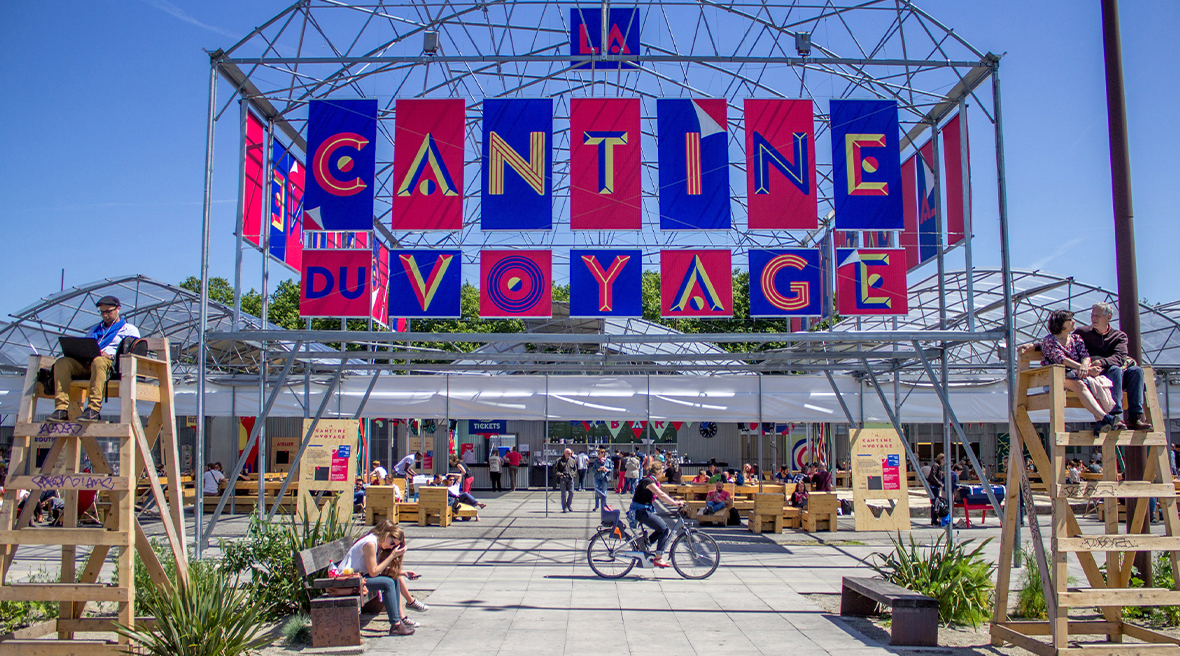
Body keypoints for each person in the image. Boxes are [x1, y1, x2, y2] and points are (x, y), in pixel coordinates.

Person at [47, 296, 140, 423]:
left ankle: (93, 409)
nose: (105, 315)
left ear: (118, 309)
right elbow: (87, 346)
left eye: (109, 311)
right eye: (102, 312)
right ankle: (61, 409)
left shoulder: (129, 329)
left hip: (109, 365)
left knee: (99, 361)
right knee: (62, 363)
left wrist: (111, 356)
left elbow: (134, 353)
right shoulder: (94, 330)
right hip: (88, 362)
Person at [1077, 302, 1153, 431]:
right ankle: (1115, 416)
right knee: (1115, 369)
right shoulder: (1082, 332)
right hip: (1096, 376)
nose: (1093, 318)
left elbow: (1120, 357)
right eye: (1092, 315)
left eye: (1098, 315)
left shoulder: (1119, 336)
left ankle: (1135, 418)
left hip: (1114, 374)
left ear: (1109, 317)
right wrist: (1037, 346)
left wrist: (1101, 362)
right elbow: (1064, 341)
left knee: (1136, 371)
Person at [1041, 309, 1118, 435]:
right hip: (1055, 378)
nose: (1073, 322)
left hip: (1077, 375)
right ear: (1061, 323)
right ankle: (1105, 417)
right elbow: (1061, 360)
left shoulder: (1076, 338)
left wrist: (1085, 366)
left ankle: (1101, 420)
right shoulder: (1049, 341)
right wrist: (1083, 369)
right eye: (1070, 320)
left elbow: (1085, 356)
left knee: (1096, 383)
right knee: (1081, 385)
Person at [337, 521, 414, 636]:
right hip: (348, 580)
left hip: (358, 577)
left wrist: (402, 572)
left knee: (394, 578)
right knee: (387, 583)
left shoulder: (374, 541)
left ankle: (397, 620)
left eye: (394, 546)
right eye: (391, 542)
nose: (391, 547)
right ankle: (395, 624)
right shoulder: (370, 543)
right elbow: (373, 572)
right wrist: (392, 555)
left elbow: (374, 570)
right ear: (386, 534)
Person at [630, 464, 685, 568]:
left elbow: (661, 495)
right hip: (640, 511)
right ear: (658, 472)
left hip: (643, 510)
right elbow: (661, 495)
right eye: (662, 471)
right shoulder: (648, 482)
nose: (663, 474)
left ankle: (644, 544)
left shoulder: (651, 481)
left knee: (661, 529)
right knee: (664, 529)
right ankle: (658, 558)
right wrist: (675, 503)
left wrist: (674, 502)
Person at [555, 448, 576, 512]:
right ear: (565, 453)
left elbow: (575, 469)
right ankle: (564, 507)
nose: (570, 455)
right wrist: (560, 475)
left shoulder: (572, 460)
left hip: (570, 477)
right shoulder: (559, 460)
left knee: (571, 492)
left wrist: (573, 475)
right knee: (563, 493)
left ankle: (568, 504)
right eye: (569, 453)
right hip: (563, 478)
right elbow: (555, 470)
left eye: (571, 453)